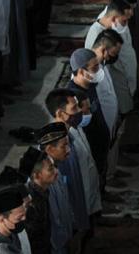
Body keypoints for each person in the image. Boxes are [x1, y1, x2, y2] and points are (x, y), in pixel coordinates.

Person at [45, 89, 101, 223]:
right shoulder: (53, 144)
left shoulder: (74, 129)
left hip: (86, 199)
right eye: (74, 107)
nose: (79, 111)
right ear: (60, 113)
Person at [67, 49, 111, 193]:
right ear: (80, 71)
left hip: (100, 143)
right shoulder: (72, 96)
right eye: (94, 68)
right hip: (89, 148)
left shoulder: (90, 85)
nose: (98, 71)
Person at [90, 29, 127, 189]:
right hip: (98, 127)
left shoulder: (101, 64)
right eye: (112, 53)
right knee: (98, 165)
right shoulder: (89, 69)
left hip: (108, 125)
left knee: (104, 161)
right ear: (104, 50)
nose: (113, 57)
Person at [36, 122, 74, 254]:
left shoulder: (55, 167)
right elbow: (54, 220)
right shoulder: (44, 179)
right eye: (64, 146)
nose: (68, 150)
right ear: (50, 149)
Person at [22, 149, 54, 254]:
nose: (55, 172)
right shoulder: (30, 204)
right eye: (50, 169)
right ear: (36, 175)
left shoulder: (43, 191)